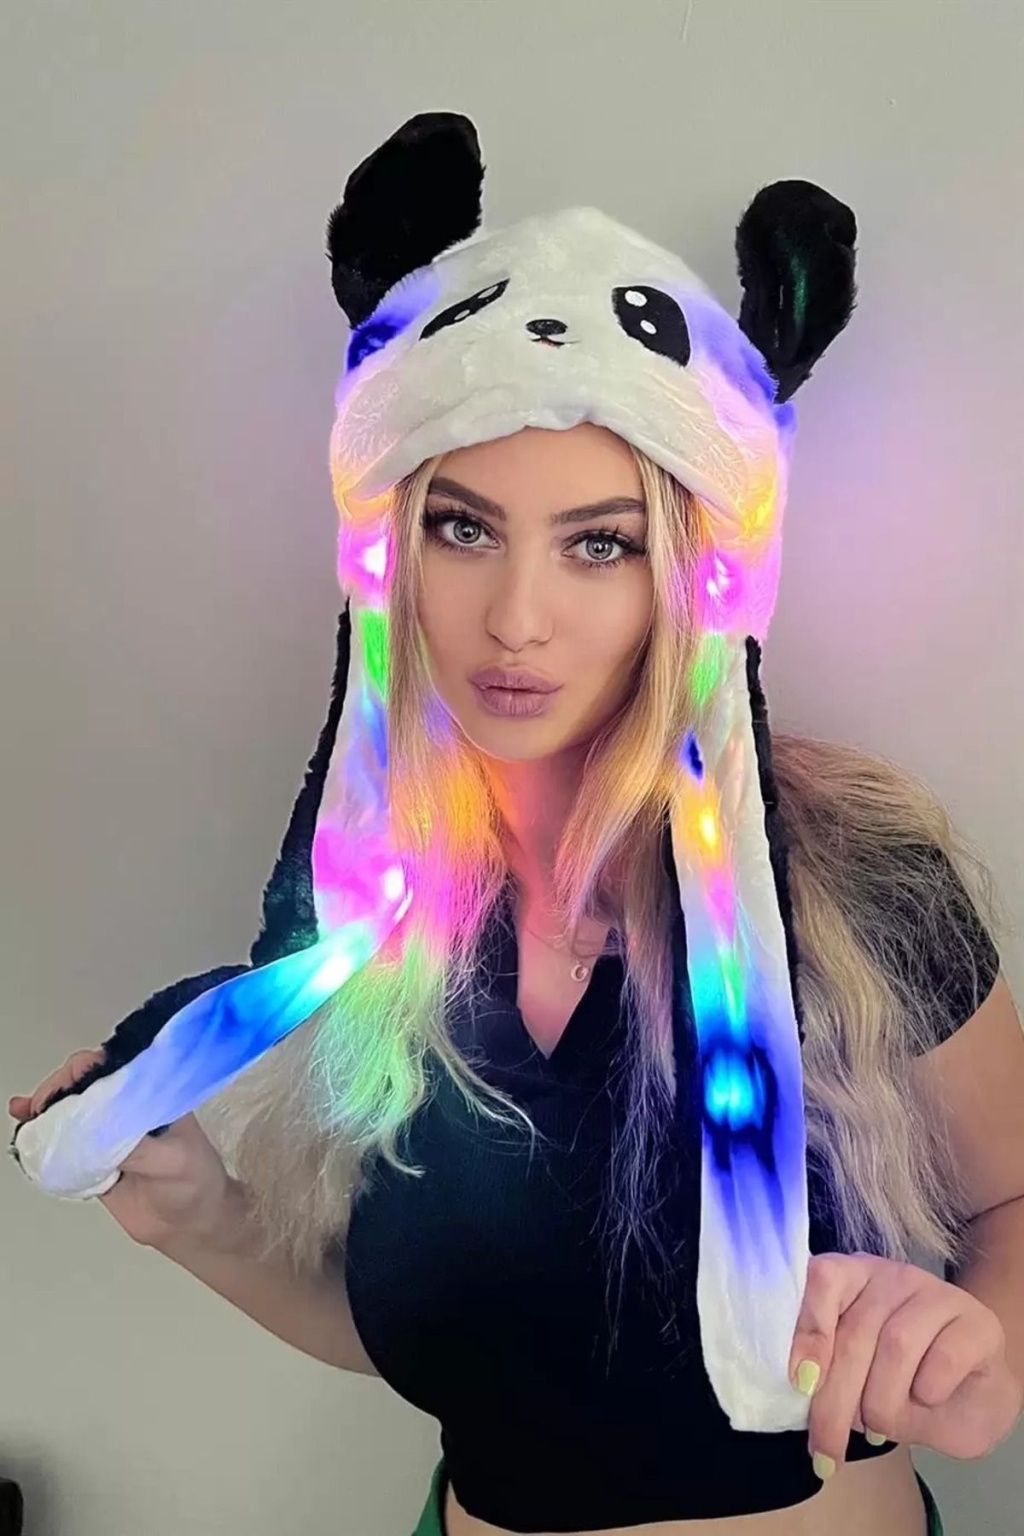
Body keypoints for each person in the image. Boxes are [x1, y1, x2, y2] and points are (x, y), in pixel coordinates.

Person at [9, 113, 1024, 1536]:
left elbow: (1014, 1205)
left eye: (600, 542)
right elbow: (470, 1356)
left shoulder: (857, 879)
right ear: (388, 546)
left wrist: (989, 1355)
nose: (518, 619)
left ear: (697, 566)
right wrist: (202, 1220)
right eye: (463, 528)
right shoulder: (383, 923)